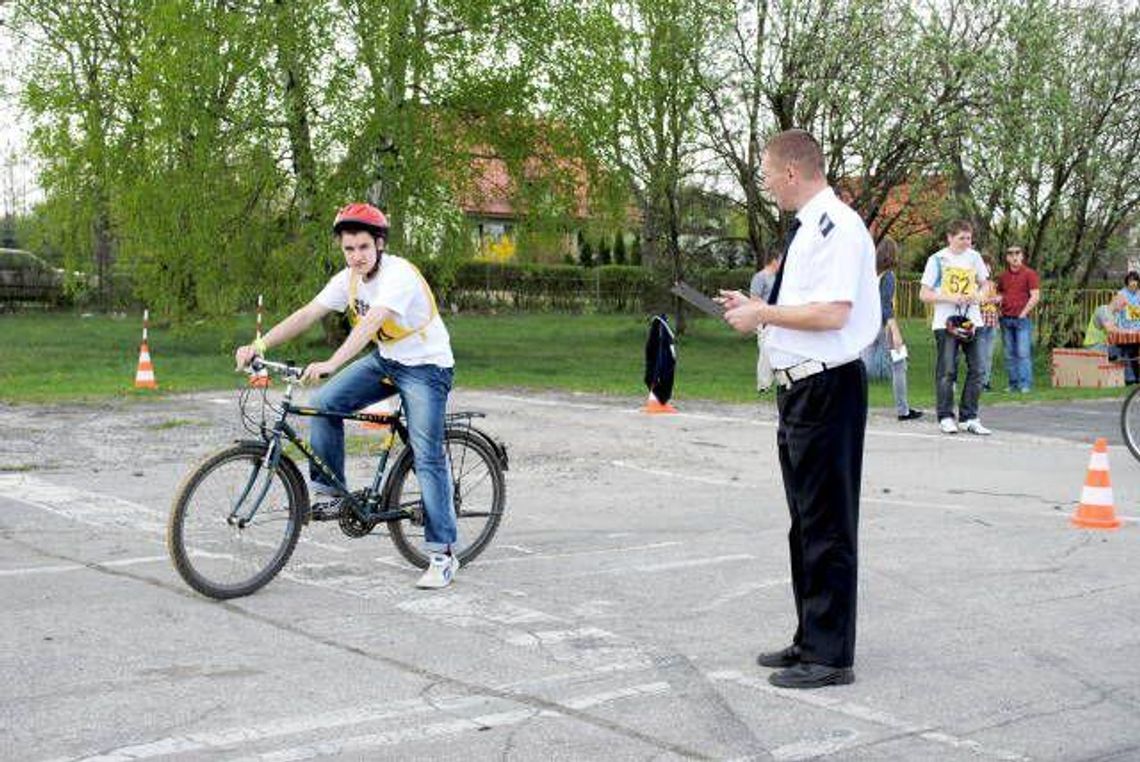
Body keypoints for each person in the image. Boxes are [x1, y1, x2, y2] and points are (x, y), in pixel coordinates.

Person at [719, 129, 879, 689]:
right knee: (806, 524)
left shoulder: (837, 226)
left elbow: (835, 313)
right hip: (801, 389)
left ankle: (831, 657)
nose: (764, 182)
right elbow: (801, 304)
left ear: (791, 172)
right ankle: (811, 636)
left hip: (828, 388)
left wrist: (763, 316)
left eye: (766, 172)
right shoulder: (811, 227)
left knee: (828, 524)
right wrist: (759, 306)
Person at [233, 203, 460, 589]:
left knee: (427, 454)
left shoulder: (399, 275)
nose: (356, 256)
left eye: (363, 248)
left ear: (380, 245)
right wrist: (260, 343)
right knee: (323, 404)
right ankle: (330, 493)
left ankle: (442, 554)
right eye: (349, 249)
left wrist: (332, 361)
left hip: (427, 367)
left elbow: (371, 322)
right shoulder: (348, 279)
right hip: (388, 361)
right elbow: (308, 313)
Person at [920, 220, 991, 435]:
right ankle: (945, 416)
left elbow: (986, 284)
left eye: (969, 238)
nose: (966, 242)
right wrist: (949, 297)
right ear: (950, 238)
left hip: (972, 320)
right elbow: (924, 294)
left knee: (978, 368)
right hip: (946, 322)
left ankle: (969, 416)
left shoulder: (974, 257)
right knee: (947, 370)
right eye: (962, 238)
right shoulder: (938, 259)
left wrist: (978, 296)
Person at [861, 237, 922, 420]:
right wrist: (895, 331)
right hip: (884, 326)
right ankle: (903, 409)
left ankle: (851, 407)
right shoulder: (888, 277)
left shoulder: (868, 274)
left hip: (867, 325)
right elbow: (886, 305)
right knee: (899, 365)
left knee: (861, 367)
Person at [995, 244, 1040, 393]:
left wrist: (1023, 313)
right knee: (1009, 354)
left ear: (1022, 256)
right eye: (1011, 254)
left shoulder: (1030, 274)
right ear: (1007, 258)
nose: (1014, 256)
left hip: (1022, 320)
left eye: (1017, 253)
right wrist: (998, 310)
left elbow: (1035, 296)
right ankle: (1013, 384)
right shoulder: (1003, 276)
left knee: (1023, 353)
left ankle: (1025, 384)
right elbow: (1000, 295)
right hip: (1005, 319)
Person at [750, 250, 781, 391]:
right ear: (774, 261)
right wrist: (768, 309)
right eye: (780, 260)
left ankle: (779, 380)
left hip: (777, 319)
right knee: (765, 351)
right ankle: (763, 384)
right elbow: (754, 298)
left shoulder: (778, 278)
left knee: (776, 349)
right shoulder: (760, 277)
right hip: (764, 320)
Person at [977, 253, 1001, 391]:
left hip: (992, 321)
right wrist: (990, 300)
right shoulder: (975, 284)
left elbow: (999, 300)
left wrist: (998, 299)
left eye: (989, 266)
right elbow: (976, 300)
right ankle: (978, 381)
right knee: (979, 352)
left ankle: (985, 381)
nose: (987, 269)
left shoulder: (992, 284)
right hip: (980, 320)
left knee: (988, 353)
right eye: (984, 266)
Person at [1113, 272, 1140, 382]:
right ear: (1127, 282)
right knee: (1128, 352)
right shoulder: (1121, 294)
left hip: (1138, 329)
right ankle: (1130, 377)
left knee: (1136, 353)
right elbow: (1116, 313)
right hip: (1125, 329)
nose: (1133, 283)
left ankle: (1137, 376)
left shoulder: (1139, 295)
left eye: (1135, 281)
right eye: (1131, 281)